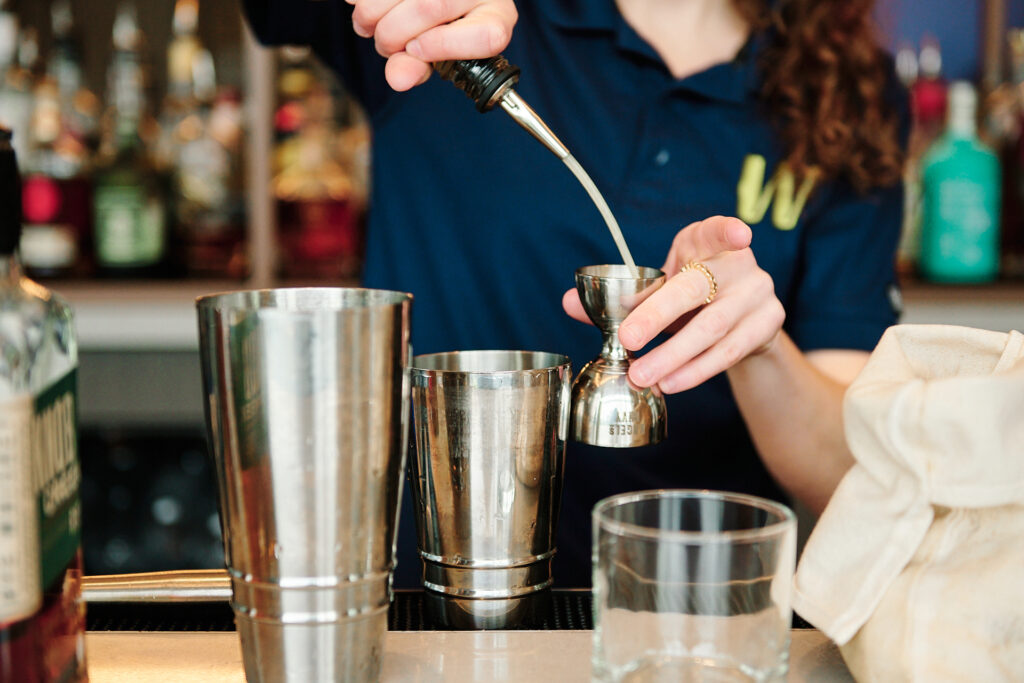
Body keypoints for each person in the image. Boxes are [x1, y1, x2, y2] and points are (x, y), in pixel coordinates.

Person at [241, 0, 907, 587]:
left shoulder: (850, 92)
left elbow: (848, 474)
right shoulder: (472, 18)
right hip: (430, 596)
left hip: (696, 615)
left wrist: (757, 346)